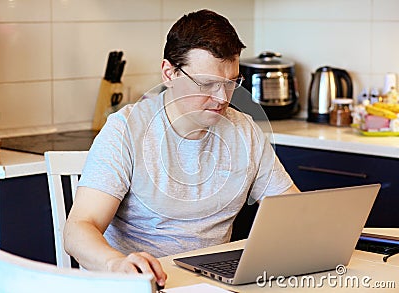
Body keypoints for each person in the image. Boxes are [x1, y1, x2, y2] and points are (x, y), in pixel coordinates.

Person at [64, 9, 300, 287]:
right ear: (169, 73)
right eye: (207, 84)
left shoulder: (244, 131)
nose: (221, 98)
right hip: (142, 286)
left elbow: (294, 212)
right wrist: (116, 264)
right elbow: (78, 228)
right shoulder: (125, 130)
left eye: (231, 83)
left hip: (213, 284)